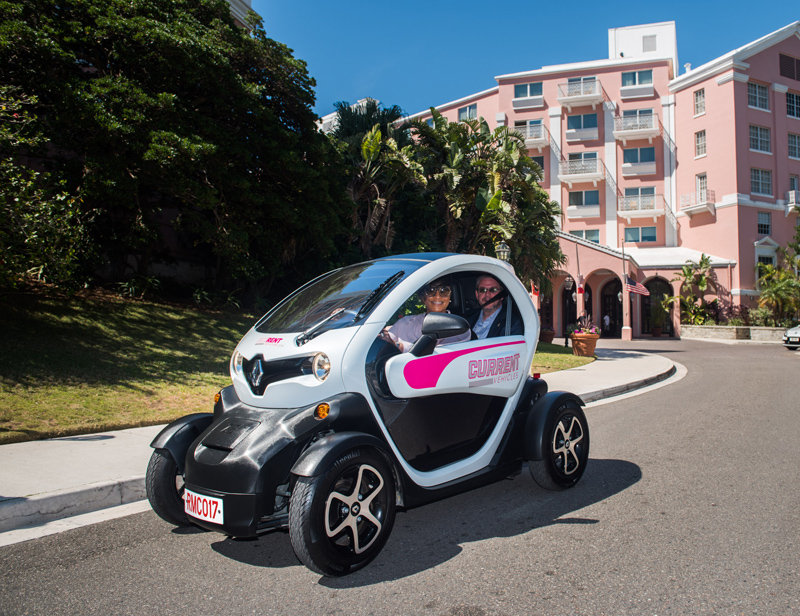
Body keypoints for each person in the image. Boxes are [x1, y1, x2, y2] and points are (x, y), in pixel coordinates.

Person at [379, 277, 471, 352]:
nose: (438, 296)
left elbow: (433, 358)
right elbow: (383, 343)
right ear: (423, 297)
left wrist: (399, 346)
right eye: (431, 291)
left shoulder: (458, 328)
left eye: (444, 291)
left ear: (450, 297)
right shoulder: (405, 322)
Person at [466, 274, 523, 339]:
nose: (487, 294)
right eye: (482, 290)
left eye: (493, 290)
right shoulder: (467, 320)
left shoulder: (512, 323)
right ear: (477, 295)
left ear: (501, 295)